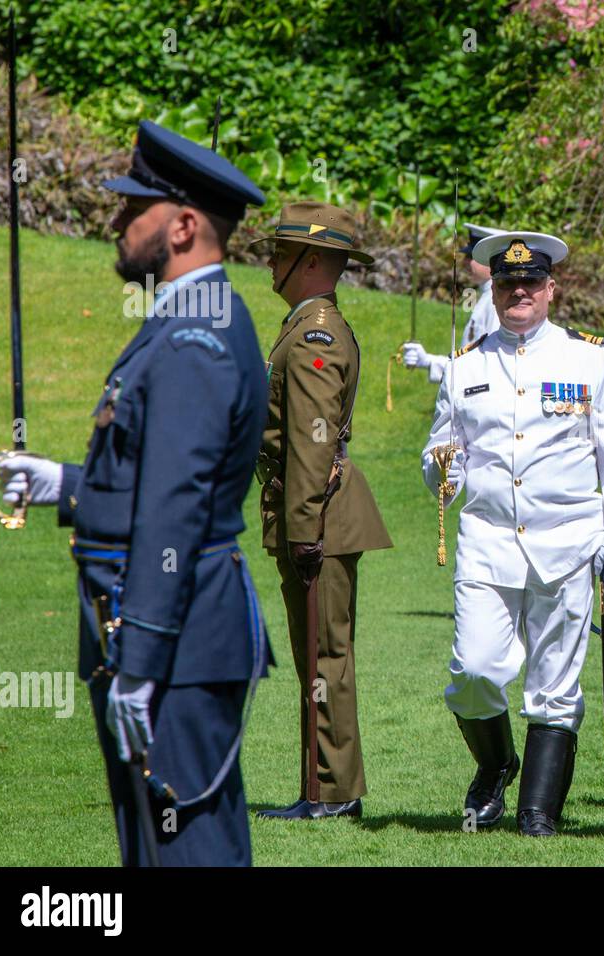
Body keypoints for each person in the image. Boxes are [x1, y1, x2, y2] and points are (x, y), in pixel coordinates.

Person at [0, 121, 271, 865]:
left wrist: (142, 664)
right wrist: (67, 486)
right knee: (156, 848)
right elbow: (153, 480)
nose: (115, 224)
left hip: (171, 646)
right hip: (166, 636)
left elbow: (177, 511)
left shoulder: (191, 339)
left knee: (187, 851)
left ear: (183, 226)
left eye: (132, 210)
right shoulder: (188, 321)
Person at [421, 231, 604, 836]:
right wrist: (440, 467)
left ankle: (539, 811)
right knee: (475, 671)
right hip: (488, 541)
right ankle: (496, 765)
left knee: (555, 684)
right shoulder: (466, 365)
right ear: (493, 289)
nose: (519, 292)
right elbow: (439, 450)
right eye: (507, 282)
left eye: (530, 282)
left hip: (567, 540)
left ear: (550, 288)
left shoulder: (589, 357)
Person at [247, 202, 393, 820]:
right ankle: (324, 788)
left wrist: (303, 530)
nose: (271, 263)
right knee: (317, 655)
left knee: (323, 656)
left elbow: (312, 437)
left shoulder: (315, 333)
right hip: (314, 516)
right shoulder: (307, 324)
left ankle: (331, 794)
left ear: (310, 261)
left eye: (280, 253)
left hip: (320, 520)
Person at [402, 222, 506, 383]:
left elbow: (488, 365)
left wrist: (430, 362)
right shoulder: (487, 296)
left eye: (471, 257)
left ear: (491, 261)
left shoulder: (495, 304)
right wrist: (430, 361)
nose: (465, 262)